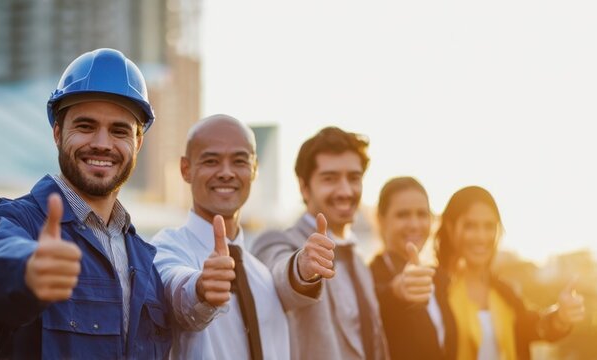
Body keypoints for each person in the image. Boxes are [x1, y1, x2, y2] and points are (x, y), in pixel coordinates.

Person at [0, 48, 171, 359]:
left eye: (119, 131)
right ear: (58, 133)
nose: (102, 143)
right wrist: (28, 265)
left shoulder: (144, 259)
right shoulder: (12, 221)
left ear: (138, 143)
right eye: (86, 126)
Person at [152, 115, 321, 359]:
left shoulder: (262, 276)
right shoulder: (166, 249)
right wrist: (200, 288)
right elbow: (175, 285)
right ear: (186, 169)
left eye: (239, 161)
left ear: (254, 169)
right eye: (211, 161)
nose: (226, 173)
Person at [252, 126, 389, 360]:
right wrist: (302, 268)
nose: (345, 190)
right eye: (330, 178)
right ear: (304, 187)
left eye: (354, 178)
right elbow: (280, 273)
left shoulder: (358, 261)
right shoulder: (278, 242)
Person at [435, 186, 585, 360]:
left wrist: (561, 316)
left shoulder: (505, 293)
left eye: (489, 226)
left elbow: (533, 327)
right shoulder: (433, 291)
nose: (481, 237)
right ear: (450, 227)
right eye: (470, 226)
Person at [369, 176, 452, 360]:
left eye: (422, 214)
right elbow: (381, 299)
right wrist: (397, 292)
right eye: (403, 215)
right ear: (381, 220)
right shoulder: (368, 277)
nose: (414, 225)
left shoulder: (438, 278)